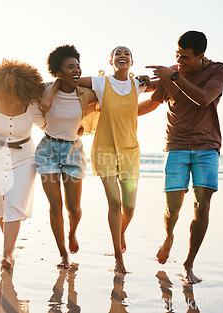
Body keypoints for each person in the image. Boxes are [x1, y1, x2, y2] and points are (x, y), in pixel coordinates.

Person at [43, 46, 153, 273]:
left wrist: (156, 78)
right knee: (115, 203)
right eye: (118, 53)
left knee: (129, 208)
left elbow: (162, 90)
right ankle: (118, 258)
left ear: (132, 62)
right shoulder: (100, 82)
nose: (122, 56)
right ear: (111, 60)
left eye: (127, 54)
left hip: (130, 151)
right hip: (104, 150)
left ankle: (119, 232)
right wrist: (52, 91)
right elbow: (68, 80)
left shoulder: (137, 85)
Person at [138, 31, 223, 284]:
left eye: (186, 57)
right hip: (176, 146)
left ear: (201, 56)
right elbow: (152, 103)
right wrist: (119, 115)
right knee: (172, 207)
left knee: (202, 206)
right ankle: (168, 237)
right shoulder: (172, 72)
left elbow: (204, 99)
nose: (180, 60)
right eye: (177, 54)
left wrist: (174, 78)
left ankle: (188, 264)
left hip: (206, 147)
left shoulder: (218, 71)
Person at [36, 45, 98, 269]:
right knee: (55, 206)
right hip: (47, 150)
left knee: (74, 208)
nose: (77, 70)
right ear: (59, 73)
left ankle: (72, 233)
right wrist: (52, 90)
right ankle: (63, 254)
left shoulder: (86, 94)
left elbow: (109, 92)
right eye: (70, 67)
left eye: (78, 66)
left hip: (73, 151)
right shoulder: (43, 90)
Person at [0, 59, 45, 268]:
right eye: (11, 95)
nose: (15, 101)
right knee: (1, 207)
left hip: (25, 158)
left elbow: (47, 125)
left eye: (20, 96)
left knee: (14, 204)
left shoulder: (32, 104)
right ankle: (10, 247)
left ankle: (7, 254)